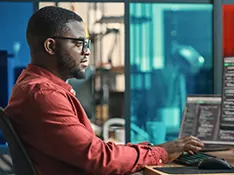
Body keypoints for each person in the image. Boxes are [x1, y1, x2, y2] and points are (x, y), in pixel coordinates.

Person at [4, 6, 204, 175]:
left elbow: (96, 153)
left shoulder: (33, 86)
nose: (87, 51)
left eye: (87, 43)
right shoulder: (43, 95)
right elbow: (99, 158)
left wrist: (153, 150)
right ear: (50, 46)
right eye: (78, 43)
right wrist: (160, 152)